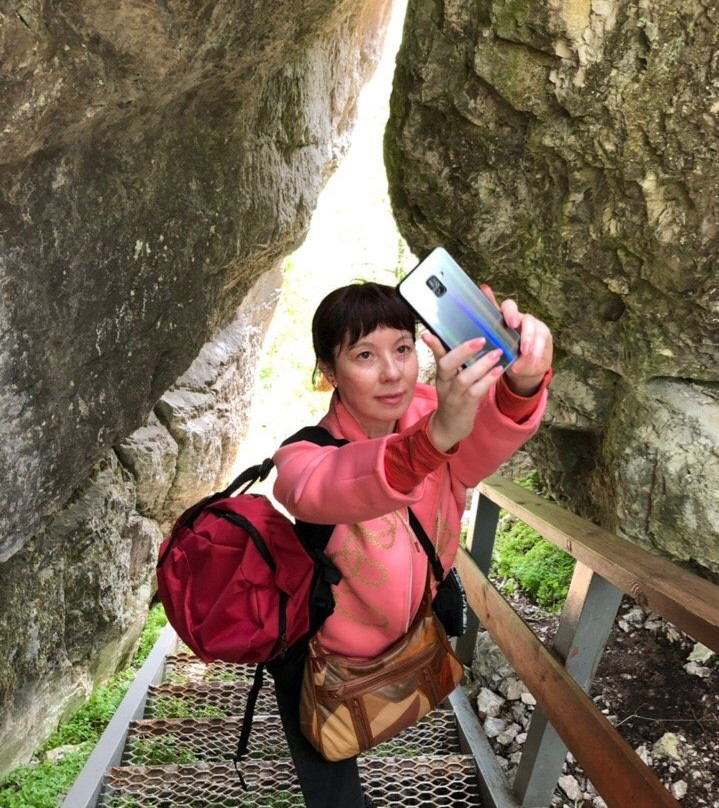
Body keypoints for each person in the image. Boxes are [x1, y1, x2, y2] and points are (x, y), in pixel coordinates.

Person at [268, 280, 553, 808]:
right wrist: (432, 440)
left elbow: (481, 441)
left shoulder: (440, 412)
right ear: (329, 372)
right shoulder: (306, 453)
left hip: (411, 641)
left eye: (402, 348)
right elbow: (319, 488)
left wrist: (523, 382)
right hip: (321, 661)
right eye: (364, 355)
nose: (393, 371)